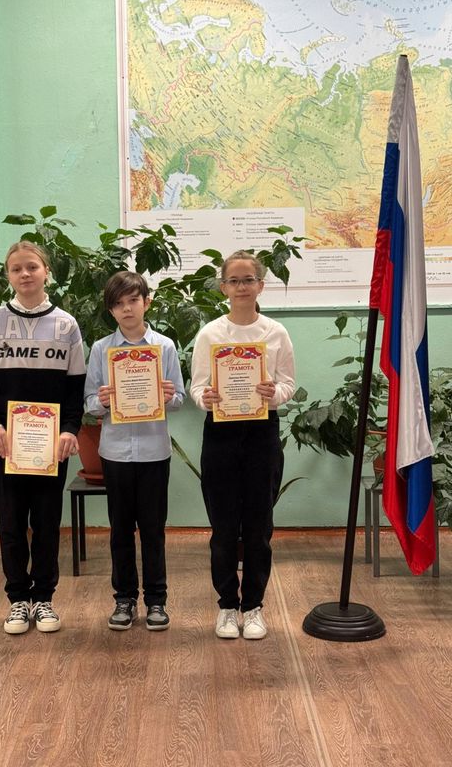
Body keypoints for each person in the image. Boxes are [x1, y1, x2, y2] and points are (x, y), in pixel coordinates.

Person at [0, 241, 86, 635]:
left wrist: (69, 429)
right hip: (4, 444)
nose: (25, 274)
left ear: (46, 271)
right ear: (8, 275)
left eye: (32, 266)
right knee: (11, 523)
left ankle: (44, 599)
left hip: (51, 446)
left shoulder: (66, 325)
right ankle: (18, 599)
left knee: (47, 523)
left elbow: (75, 388)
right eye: (16, 268)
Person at [190, 250, 295, 640]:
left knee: (258, 526)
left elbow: (288, 383)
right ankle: (226, 606)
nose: (241, 287)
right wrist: (206, 399)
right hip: (220, 434)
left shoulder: (276, 332)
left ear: (260, 285)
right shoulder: (210, 334)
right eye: (233, 281)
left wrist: (274, 393)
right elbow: (197, 387)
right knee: (222, 527)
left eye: (248, 279)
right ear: (223, 288)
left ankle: (252, 607)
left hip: (261, 434)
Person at [84, 271, 186, 631]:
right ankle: (124, 599)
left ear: (147, 302)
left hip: (154, 452)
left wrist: (168, 395)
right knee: (120, 530)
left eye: (132, 300)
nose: (126, 309)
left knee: (154, 529)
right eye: (118, 303)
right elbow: (89, 402)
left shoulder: (165, 347)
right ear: (111, 310)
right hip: (115, 453)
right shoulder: (101, 349)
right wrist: (102, 400)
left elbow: (179, 399)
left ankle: (156, 600)